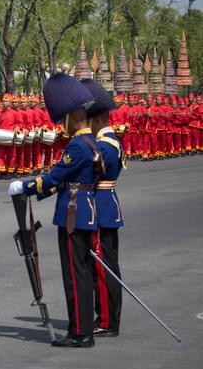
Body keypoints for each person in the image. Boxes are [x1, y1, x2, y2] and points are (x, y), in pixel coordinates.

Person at [8, 72, 99, 348]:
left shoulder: (77, 146)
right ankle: (81, 328)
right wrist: (41, 191)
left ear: (72, 117)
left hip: (74, 214)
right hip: (83, 210)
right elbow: (62, 182)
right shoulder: (89, 142)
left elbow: (54, 178)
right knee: (80, 275)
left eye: (64, 119)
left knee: (75, 276)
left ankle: (80, 332)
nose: (63, 125)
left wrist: (24, 187)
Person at [81, 79, 124, 338]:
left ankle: (107, 320)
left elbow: (91, 177)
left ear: (97, 120)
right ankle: (106, 318)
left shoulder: (104, 146)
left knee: (102, 268)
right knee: (106, 264)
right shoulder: (111, 141)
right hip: (108, 204)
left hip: (101, 205)